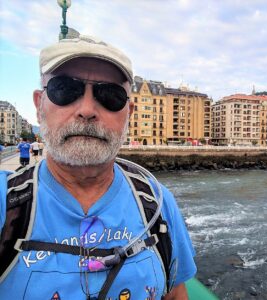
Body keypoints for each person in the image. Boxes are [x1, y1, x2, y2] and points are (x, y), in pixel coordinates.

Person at [0, 34, 196, 299]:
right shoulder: (7, 203)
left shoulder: (157, 202)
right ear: (39, 105)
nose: (87, 109)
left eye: (109, 95)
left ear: (129, 112)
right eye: (65, 89)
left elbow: (174, 293)